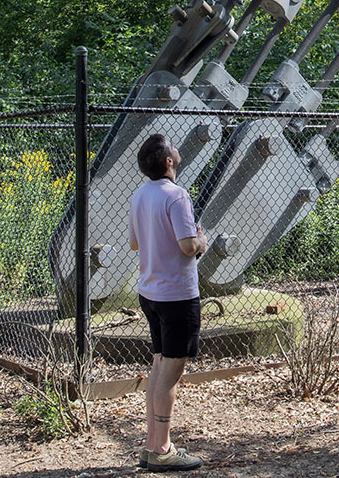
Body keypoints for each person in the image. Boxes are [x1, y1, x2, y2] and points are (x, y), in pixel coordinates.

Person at [129, 133, 207, 472]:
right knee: (171, 372)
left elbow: (135, 244)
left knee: (160, 365)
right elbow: (188, 246)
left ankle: (152, 445)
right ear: (169, 162)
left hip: (150, 293)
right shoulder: (177, 195)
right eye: (173, 147)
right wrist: (201, 239)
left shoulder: (139, 195)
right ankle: (162, 449)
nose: (177, 148)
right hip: (177, 295)